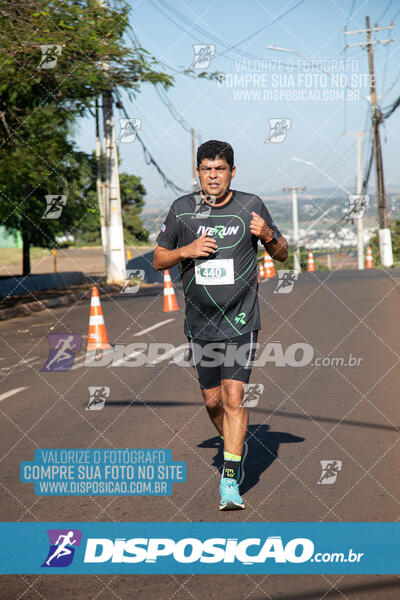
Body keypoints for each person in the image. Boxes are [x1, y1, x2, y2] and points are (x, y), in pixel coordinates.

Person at [153, 140, 288, 510]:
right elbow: (158, 259)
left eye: (221, 169)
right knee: (212, 401)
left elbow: (283, 254)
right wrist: (186, 251)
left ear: (232, 171)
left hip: (242, 319)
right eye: (207, 169)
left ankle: (230, 477)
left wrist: (269, 236)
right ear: (198, 172)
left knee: (233, 397)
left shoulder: (250, 206)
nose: (214, 176)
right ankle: (235, 444)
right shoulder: (182, 210)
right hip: (200, 324)